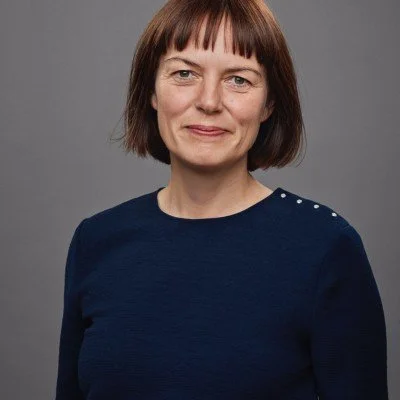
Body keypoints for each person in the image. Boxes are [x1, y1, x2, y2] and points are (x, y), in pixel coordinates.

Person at [54, 0, 388, 399]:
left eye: (239, 80)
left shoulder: (326, 247)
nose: (209, 101)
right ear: (152, 91)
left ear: (269, 104)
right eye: (184, 73)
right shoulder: (96, 241)